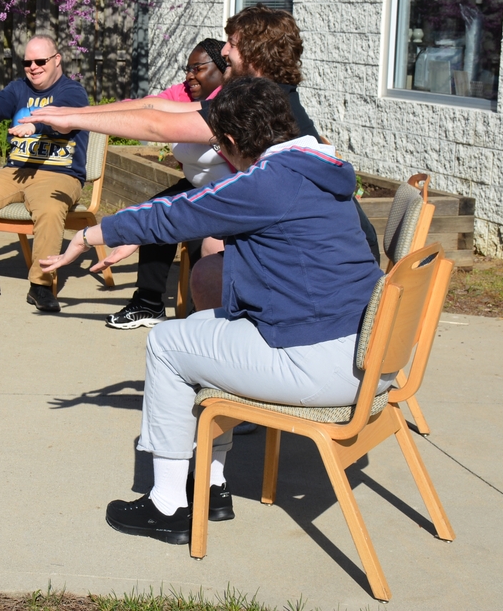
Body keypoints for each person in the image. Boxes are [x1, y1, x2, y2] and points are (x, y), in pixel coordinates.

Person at [40, 77, 385, 543]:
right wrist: (130, 237)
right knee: (206, 327)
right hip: (367, 356)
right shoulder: (318, 168)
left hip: (322, 363)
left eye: (221, 147)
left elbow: (173, 213)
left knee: (167, 342)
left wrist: (87, 236)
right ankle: (212, 485)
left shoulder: (267, 184)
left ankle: (165, 508)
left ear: (233, 143)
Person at [23, 5, 381, 322]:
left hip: (324, 263)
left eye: (233, 44)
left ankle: (220, 349)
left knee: (212, 254)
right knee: (209, 257)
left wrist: (73, 121)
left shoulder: (259, 102)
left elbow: (156, 126)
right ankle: (213, 341)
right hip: (313, 239)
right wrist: (69, 112)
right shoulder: (257, 92)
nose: (225, 51)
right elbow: (156, 107)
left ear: (254, 51)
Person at [0, 33, 90, 313]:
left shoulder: (72, 91)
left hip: (60, 174)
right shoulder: (18, 88)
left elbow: (62, 116)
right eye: (27, 62)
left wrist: (35, 126)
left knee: (48, 211)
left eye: (40, 61)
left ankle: (41, 285)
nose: (33, 67)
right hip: (16, 171)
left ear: (57, 60)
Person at [105, 38, 232, 329]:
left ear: (222, 68)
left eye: (197, 68)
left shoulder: (232, 101)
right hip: (196, 186)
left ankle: (204, 316)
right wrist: (79, 117)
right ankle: (148, 304)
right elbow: (143, 109)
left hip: (231, 191)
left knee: (204, 239)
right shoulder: (182, 94)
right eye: (187, 68)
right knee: (154, 214)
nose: (189, 76)